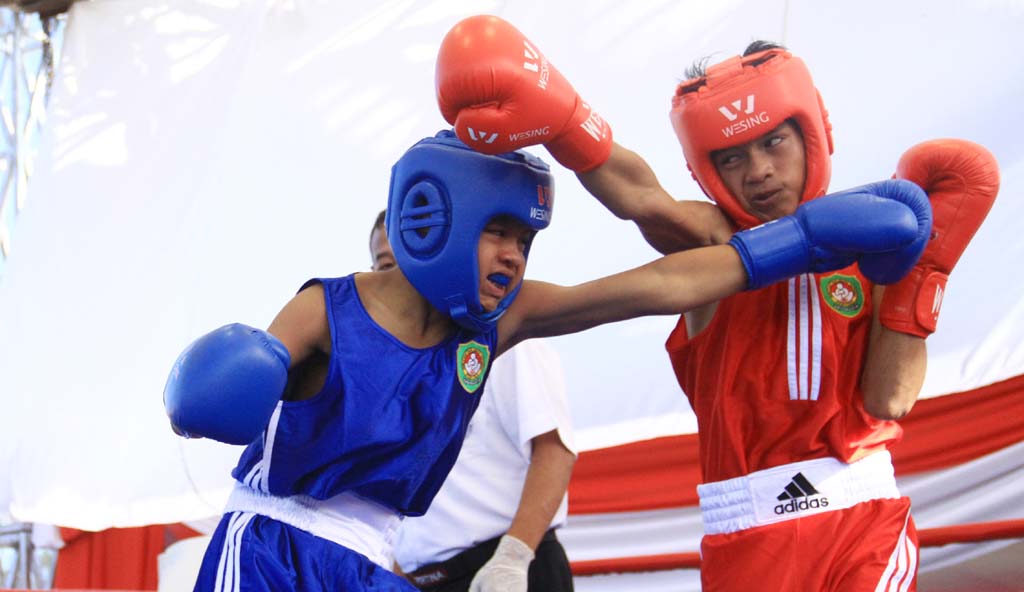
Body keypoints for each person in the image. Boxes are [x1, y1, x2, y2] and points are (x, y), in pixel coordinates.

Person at [163, 126, 931, 592]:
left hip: (372, 562)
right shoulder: (326, 308)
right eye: (499, 231)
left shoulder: (496, 324)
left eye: (525, 241)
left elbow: (653, 285)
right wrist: (212, 389)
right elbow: (213, 406)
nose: (512, 256)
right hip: (271, 552)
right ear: (432, 218)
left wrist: (795, 244)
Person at [433, 15, 999, 592]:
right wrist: (564, 122)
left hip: (859, 522)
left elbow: (891, 398)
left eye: (773, 142)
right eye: (731, 157)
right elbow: (640, 198)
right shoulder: (715, 242)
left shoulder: (874, 248)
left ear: (812, 132)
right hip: (743, 536)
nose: (758, 171)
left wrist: (922, 272)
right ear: (707, 169)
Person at [369, 211, 577, 592]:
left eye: (409, 258)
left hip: (507, 565)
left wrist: (513, 559)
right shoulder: (383, 370)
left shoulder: (506, 335)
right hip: (424, 581)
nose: (398, 277)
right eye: (385, 264)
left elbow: (554, 451)